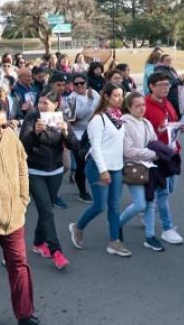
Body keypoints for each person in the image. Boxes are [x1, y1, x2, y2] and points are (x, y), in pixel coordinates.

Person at [0, 98, 40, 325]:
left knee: (19, 266)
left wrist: (23, 199)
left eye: (4, 125)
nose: (1, 130)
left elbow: (23, 167)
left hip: (14, 218)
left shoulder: (11, 138)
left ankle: (25, 314)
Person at [69, 82, 129, 256]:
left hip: (117, 167)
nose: (120, 99)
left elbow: (119, 144)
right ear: (106, 97)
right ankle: (77, 227)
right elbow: (95, 147)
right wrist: (103, 171)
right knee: (100, 205)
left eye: (121, 95)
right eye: (116, 95)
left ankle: (114, 241)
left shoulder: (119, 117)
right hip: (98, 167)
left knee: (115, 206)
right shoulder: (98, 119)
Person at [20, 89, 77, 270]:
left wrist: (66, 132)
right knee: (46, 210)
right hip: (35, 170)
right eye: (40, 102)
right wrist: (35, 134)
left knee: (47, 209)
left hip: (56, 171)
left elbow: (75, 145)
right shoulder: (32, 118)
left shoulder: (61, 119)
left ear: (55, 105)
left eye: (46, 103)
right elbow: (22, 144)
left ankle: (38, 241)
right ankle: (56, 251)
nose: (42, 106)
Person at [119, 92, 165, 251]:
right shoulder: (125, 123)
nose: (141, 108)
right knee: (140, 204)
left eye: (143, 105)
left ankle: (150, 236)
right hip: (133, 167)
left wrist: (161, 147)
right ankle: (117, 224)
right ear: (129, 107)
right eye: (137, 106)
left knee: (151, 202)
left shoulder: (146, 122)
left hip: (149, 167)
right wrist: (153, 154)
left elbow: (153, 142)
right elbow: (128, 151)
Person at [143, 72, 184, 245]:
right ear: (151, 86)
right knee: (164, 193)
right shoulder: (144, 106)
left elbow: (172, 124)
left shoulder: (168, 103)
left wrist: (178, 128)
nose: (166, 88)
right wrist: (159, 132)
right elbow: (143, 134)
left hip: (172, 152)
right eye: (161, 84)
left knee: (170, 188)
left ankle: (147, 210)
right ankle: (167, 228)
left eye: (168, 84)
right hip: (156, 155)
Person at [63, 73, 99, 203]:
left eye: (82, 83)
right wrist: (89, 104)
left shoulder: (94, 93)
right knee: (81, 163)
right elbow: (72, 119)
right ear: (72, 85)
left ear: (86, 83)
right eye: (76, 83)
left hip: (95, 132)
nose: (79, 86)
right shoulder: (71, 99)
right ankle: (82, 191)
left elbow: (101, 107)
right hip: (78, 135)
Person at [153, 54, 184, 119]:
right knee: (173, 117)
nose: (169, 61)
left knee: (177, 117)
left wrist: (183, 80)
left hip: (176, 97)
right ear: (161, 62)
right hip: (170, 98)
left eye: (170, 60)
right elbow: (168, 84)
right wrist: (179, 79)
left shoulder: (171, 69)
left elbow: (175, 80)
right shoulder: (160, 70)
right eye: (167, 60)